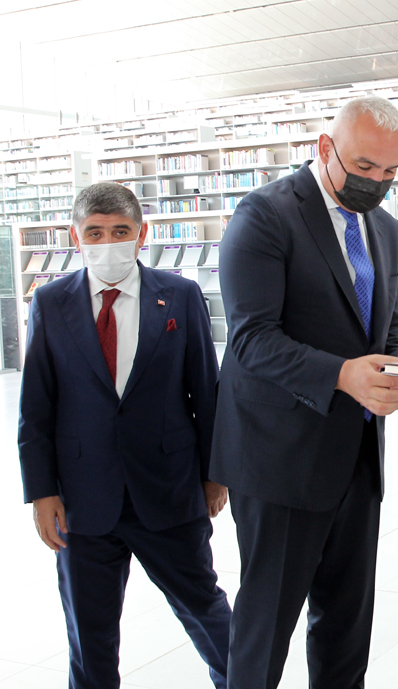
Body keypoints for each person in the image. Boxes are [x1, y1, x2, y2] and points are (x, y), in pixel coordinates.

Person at [210, 96, 398, 689]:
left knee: (346, 627)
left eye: (391, 172)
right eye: (365, 168)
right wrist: (343, 375)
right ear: (325, 148)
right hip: (280, 459)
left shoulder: (388, 230)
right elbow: (251, 340)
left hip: (357, 460)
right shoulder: (264, 216)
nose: (378, 183)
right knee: (265, 629)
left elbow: (386, 323)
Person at [18, 182, 232, 689]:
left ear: (142, 235)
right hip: (81, 500)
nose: (108, 241)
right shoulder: (50, 303)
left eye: (120, 231)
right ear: (76, 236)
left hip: (169, 491)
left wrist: (216, 475)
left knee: (207, 611)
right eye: (95, 232)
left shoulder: (179, 294)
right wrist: (41, 491)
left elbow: (207, 393)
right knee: (89, 637)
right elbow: (36, 407)